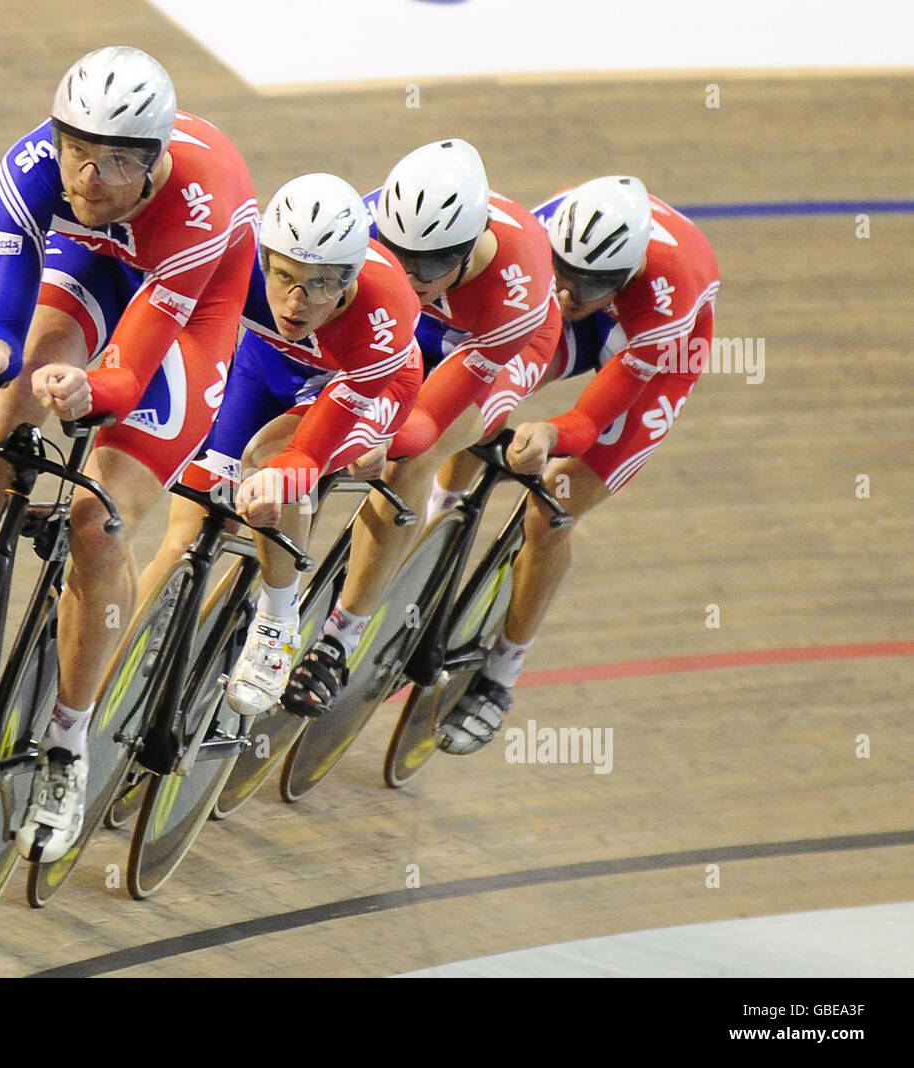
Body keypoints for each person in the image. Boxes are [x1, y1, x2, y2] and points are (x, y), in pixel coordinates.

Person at [0, 46, 259, 862]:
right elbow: (7, 312)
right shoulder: (29, 167)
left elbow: (132, 362)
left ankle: (67, 744)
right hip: (94, 267)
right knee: (1, 403)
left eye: (118, 160)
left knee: (97, 518)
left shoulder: (201, 200)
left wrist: (100, 391)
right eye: (77, 151)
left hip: (189, 317)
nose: (89, 177)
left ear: (154, 159)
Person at [435, 175, 721, 754]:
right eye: (560, 273)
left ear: (626, 272)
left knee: (553, 508)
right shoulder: (543, 231)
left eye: (588, 284)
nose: (566, 294)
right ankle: (429, 530)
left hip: (649, 350)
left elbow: (591, 423)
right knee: (478, 397)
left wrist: (548, 432)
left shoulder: (667, 299)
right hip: (600, 307)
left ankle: (501, 675)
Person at [282, 139, 561, 716]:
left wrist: (378, 434)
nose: (409, 277)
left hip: (499, 342)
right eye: (396, 255)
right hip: (418, 329)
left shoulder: (517, 283)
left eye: (430, 265)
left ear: (470, 244)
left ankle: (342, 635)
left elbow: (428, 418)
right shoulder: (360, 225)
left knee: (410, 454)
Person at [141, 172, 423, 717]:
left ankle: (277, 619)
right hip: (267, 364)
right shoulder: (240, 262)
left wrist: (282, 477)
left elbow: (305, 454)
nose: (295, 302)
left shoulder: (385, 311)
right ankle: (142, 634)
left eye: (319, 285)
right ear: (264, 262)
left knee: (270, 463)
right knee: (190, 522)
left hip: (365, 385)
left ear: (349, 279)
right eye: (284, 278)